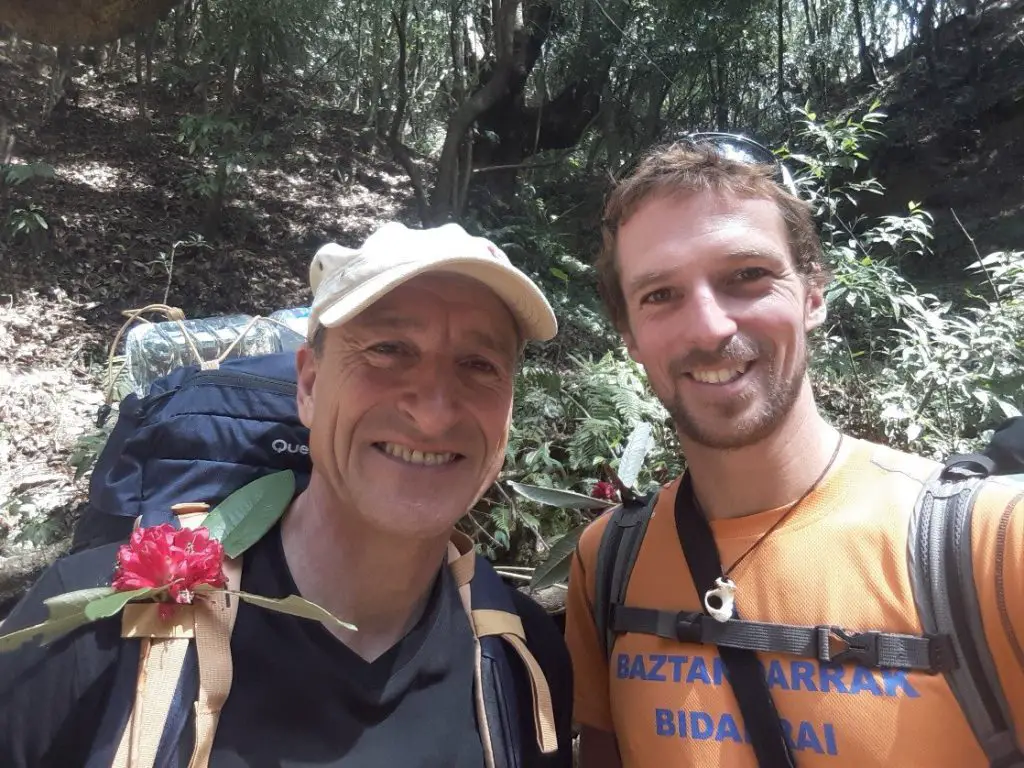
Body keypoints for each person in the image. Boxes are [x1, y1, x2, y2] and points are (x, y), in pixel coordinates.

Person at [0, 221, 574, 767]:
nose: (432, 412)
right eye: (388, 350)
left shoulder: (522, 662)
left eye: (478, 364)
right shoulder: (94, 631)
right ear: (310, 384)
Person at [564, 136, 1024, 767]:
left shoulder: (991, 546)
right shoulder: (608, 560)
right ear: (631, 337)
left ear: (813, 293)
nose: (709, 327)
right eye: (660, 294)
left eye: (746, 276)